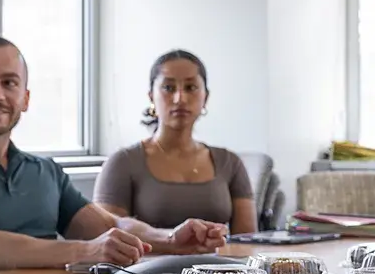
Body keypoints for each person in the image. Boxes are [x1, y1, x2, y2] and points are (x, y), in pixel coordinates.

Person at [0, 36, 228, 274]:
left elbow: (110, 227)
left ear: (25, 98)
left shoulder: (45, 171)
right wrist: (87, 251)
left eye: (9, 83)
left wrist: (169, 239)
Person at [94, 50, 257, 234]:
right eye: (168, 88)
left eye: (191, 88)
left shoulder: (230, 162)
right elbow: (108, 238)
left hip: (217, 262)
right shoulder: (122, 162)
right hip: (146, 263)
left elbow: (247, 243)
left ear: (206, 97)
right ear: (151, 97)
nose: (180, 99)